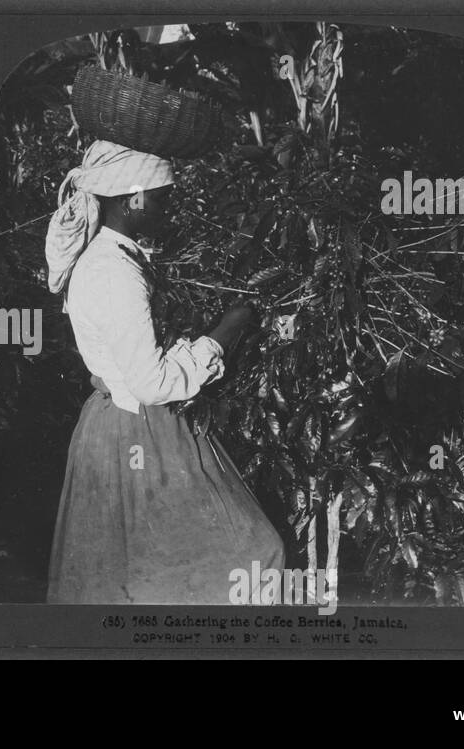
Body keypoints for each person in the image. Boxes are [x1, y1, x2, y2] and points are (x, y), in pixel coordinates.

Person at [44, 139, 285, 604]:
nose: (169, 209)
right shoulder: (114, 272)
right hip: (140, 430)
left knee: (132, 574)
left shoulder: (118, 259)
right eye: (162, 197)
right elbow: (151, 382)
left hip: (121, 426)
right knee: (252, 556)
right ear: (133, 198)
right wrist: (226, 331)